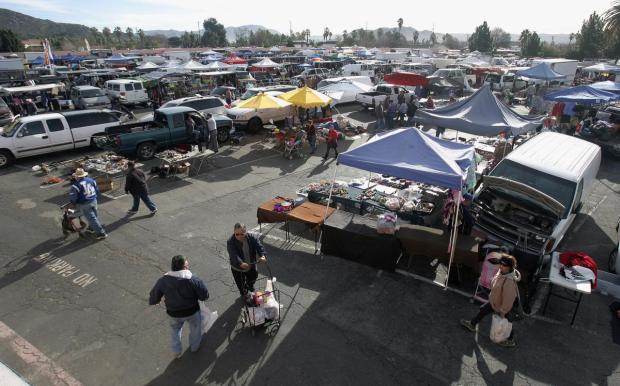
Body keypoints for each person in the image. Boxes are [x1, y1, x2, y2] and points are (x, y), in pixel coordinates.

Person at [149, 255, 209, 357]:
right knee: (195, 329)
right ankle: (194, 347)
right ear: (184, 266)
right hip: (192, 311)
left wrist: (155, 300)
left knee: (175, 330)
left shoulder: (163, 280)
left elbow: (154, 294)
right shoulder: (193, 279)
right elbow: (204, 295)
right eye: (187, 263)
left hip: (173, 313)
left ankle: (176, 350)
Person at [460, 254, 521, 348]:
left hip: (501, 306)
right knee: (483, 310)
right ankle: (472, 324)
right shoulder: (502, 272)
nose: (501, 266)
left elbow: (509, 299)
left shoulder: (509, 282)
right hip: (494, 302)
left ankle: (510, 340)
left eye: (504, 265)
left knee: (507, 323)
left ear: (509, 267)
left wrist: (503, 311)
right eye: (500, 263)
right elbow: (496, 282)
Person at [227, 223, 267, 297]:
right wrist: (240, 263)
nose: (239, 236)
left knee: (254, 276)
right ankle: (244, 294)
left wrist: (262, 255)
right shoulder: (230, 242)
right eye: (237, 234)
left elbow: (259, 246)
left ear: (246, 232)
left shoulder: (252, 237)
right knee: (241, 285)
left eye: (242, 234)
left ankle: (249, 285)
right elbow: (233, 254)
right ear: (234, 233)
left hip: (251, 264)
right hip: (238, 268)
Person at [69, 168, 107, 240]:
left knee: (92, 219)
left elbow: (73, 197)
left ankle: (101, 233)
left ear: (77, 176)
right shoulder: (91, 180)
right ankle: (91, 228)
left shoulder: (75, 186)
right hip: (93, 200)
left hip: (85, 204)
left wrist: (73, 203)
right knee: (94, 216)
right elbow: (97, 190)